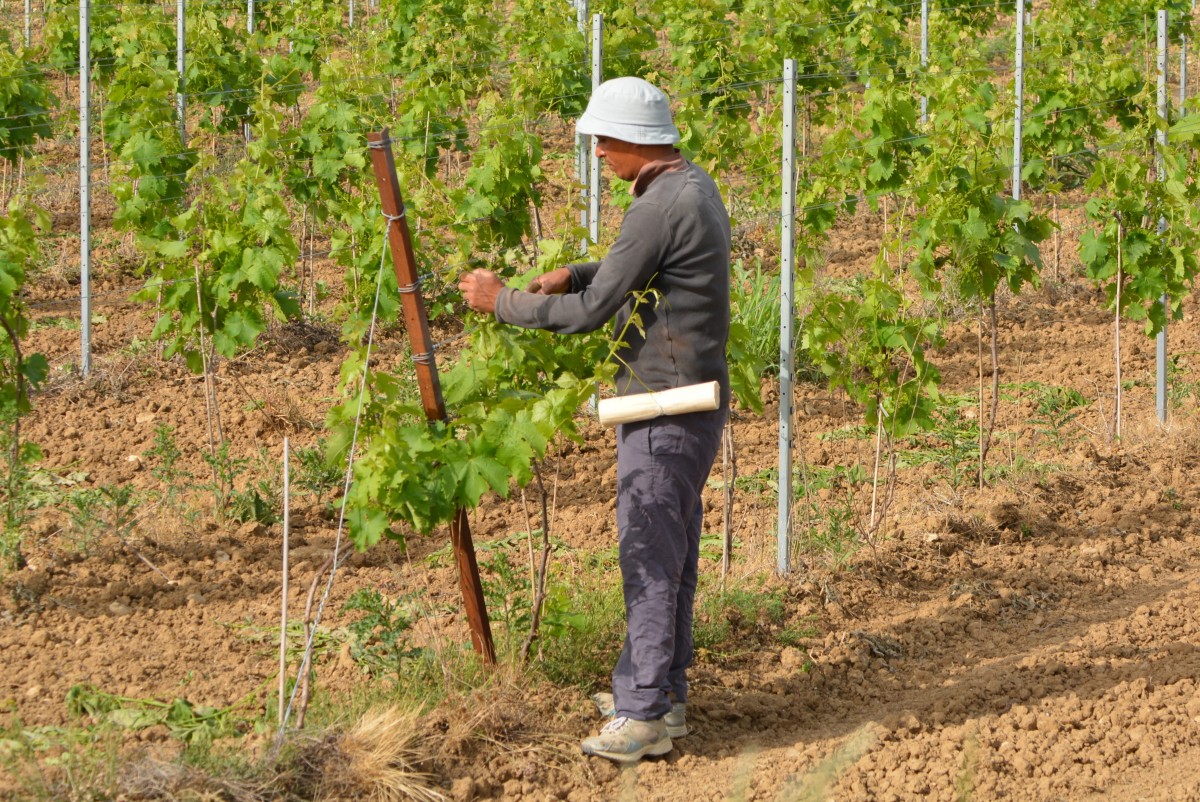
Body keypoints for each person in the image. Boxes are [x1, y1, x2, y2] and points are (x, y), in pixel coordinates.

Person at [459, 76, 731, 764]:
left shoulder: (657, 207)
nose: (600, 157)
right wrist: (577, 272)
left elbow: (590, 318)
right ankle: (662, 696)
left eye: (603, 143)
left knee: (648, 557)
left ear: (632, 141)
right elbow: (635, 272)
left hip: (663, 406)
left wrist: (505, 301)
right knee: (673, 555)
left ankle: (640, 715)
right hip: (692, 401)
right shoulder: (692, 186)